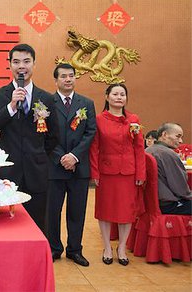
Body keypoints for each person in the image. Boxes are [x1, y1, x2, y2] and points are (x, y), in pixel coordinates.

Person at [0, 44, 58, 234]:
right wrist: (10, 107)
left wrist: (38, 155)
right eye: (16, 62)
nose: (21, 66)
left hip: (37, 171)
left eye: (26, 61)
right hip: (7, 174)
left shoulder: (46, 98)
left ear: (34, 64)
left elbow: (53, 136)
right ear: (9, 64)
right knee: (5, 225)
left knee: (37, 225)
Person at [89, 84, 145, 266]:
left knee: (126, 212)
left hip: (128, 172)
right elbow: (94, 148)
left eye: (122, 94)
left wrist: (141, 173)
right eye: (115, 94)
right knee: (105, 210)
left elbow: (139, 148)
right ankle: (107, 247)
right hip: (106, 172)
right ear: (107, 97)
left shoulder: (134, 119)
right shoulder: (99, 119)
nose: (119, 97)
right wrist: (94, 172)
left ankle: (121, 247)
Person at [47, 63, 96, 266]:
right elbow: (45, 133)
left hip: (79, 168)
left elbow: (90, 132)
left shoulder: (86, 103)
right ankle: (53, 248)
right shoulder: (46, 102)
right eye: (64, 76)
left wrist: (74, 156)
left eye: (71, 76)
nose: (68, 79)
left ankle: (75, 250)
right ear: (56, 80)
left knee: (77, 212)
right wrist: (62, 157)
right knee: (52, 212)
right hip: (54, 168)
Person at [146, 123, 192, 215]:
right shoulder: (168, 154)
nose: (181, 141)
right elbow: (181, 188)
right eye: (178, 136)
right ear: (164, 135)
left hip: (150, 203)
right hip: (169, 205)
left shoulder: (148, 150)